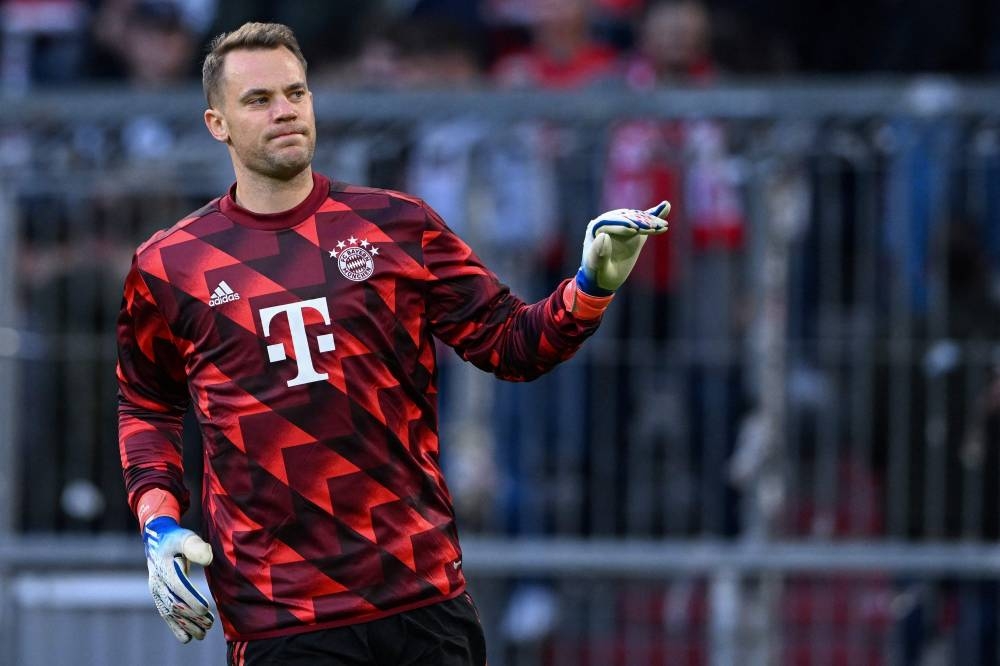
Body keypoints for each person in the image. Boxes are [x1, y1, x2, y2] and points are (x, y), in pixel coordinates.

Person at [115, 21, 670, 665]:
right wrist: (159, 523)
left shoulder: (397, 225)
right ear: (218, 124)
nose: (286, 110)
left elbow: (513, 346)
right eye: (259, 99)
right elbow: (147, 407)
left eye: (296, 92)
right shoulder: (170, 265)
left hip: (420, 597)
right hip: (282, 614)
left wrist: (591, 284)